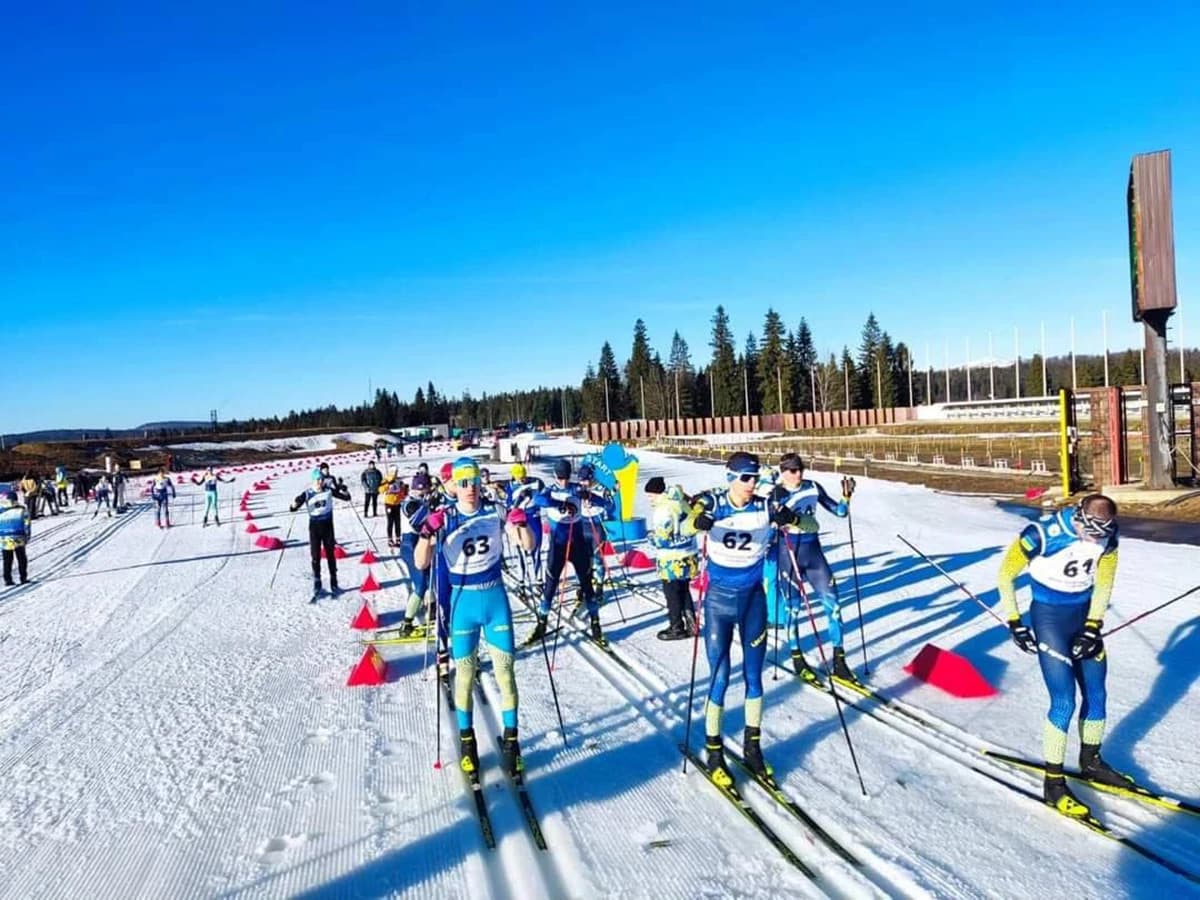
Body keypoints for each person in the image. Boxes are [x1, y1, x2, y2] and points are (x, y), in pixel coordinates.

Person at [998, 493, 1130, 818]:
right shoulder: (1041, 534)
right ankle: (1053, 784)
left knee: (1097, 694)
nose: (1097, 539)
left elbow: (1104, 582)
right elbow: (1005, 574)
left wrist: (1092, 626)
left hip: (1082, 616)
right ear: (1080, 518)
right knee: (1064, 702)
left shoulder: (1108, 537)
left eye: (1104, 532)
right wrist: (1015, 622)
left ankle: (1091, 762)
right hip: (1049, 619)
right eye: (1093, 532)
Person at [413, 457, 535, 776]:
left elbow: (528, 545)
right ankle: (468, 742)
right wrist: (427, 534)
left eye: (474, 482)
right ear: (455, 485)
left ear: (481, 483)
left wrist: (522, 525)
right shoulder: (446, 516)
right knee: (464, 677)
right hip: (462, 604)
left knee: (506, 674)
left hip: (495, 599)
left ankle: (511, 742)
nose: (469, 489)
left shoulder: (495, 511)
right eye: (463, 483)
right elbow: (420, 563)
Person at [691, 451, 799, 785]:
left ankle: (753, 748)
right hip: (719, 603)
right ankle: (714, 752)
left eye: (755, 478)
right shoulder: (715, 502)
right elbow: (690, 514)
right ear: (730, 478)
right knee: (720, 678)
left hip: (753, 599)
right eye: (745, 478)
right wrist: (698, 521)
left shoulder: (765, 507)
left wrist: (790, 518)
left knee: (755, 676)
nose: (751, 484)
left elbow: (804, 523)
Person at [771, 453, 856, 685]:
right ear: (783, 471)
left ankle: (839, 660)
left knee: (834, 605)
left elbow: (840, 512)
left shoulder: (812, 487)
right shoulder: (775, 494)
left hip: (814, 554)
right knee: (793, 609)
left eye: (800, 469)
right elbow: (767, 525)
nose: (798, 474)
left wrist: (846, 496)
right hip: (788, 555)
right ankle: (797, 658)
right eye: (792, 470)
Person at [526, 459, 606, 644]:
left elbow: (604, 503)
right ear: (555, 475)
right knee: (550, 585)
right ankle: (542, 623)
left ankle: (595, 623)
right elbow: (539, 499)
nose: (563, 481)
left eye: (566, 477)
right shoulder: (549, 490)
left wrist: (590, 497)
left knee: (587, 584)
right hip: (558, 546)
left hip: (577, 545)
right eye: (560, 477)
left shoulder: (577, 488)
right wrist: (559, 505)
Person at [645, 476, 700, 640]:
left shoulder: (663, 510)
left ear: (658, 493)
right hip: (688, 555)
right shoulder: (680, 501)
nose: (649, 499)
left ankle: (676, 627)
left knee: (672, 594)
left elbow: (662, 539)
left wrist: (651, 538)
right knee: (684, 589)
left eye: (651, 495)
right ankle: (692, 623)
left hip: (671, 559)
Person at [289, 468, 352, 599]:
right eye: (318, 479)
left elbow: (346, 498)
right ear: (313, 480)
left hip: (328, 525)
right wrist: (294, 503)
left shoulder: (328, 490)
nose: (320, 482)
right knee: (316, 555)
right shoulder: (307, 493)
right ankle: (317, 581)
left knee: (330, 554)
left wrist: (345, 490)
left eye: (322, 479)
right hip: (315, 527)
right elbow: (293, 508)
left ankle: (334, 581)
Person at [396, 472, 433, 634]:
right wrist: (429, 506)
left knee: (432, 577)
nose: (423, 494)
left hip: (421, 543)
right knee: (420, 584)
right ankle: (407, 622)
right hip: (410, 545)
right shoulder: (409, 503)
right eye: (421, 491)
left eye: (425, 491)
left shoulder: (420, 501)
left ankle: (431, 609)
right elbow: (418, 521)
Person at [506, 462, 545, 584]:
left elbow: (545, 497)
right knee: (521, 549)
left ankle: (538, 578)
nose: (522, 480)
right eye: (519, 478)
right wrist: (520, 499)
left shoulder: (537, 482)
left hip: (534, 517)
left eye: (523, 477)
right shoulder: (511, 486)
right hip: (519, 520)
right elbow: (509, 506)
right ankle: (521, 578)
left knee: (536, 548)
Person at [1, 490, 32, 586]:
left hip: (4, 538)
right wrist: (27, 535)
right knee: (21, 558)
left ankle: (7, 579)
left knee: (7, 560)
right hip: (19, 536)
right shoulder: (22, 509)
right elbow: (27, 524)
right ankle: (23, 577)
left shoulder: (1, 511)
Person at [379, 465, 407, 548]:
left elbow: (403, 491)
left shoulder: (399, 480)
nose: (395, 474)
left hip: (397, 504)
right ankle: (390, 539)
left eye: (396, 472)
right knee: (390, 522)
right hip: (389, 504)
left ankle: (398, 539)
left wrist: (404, 491)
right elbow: (380, 490)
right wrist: (388, 485)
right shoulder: (386, 480)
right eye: (394, 472)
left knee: (398, 522)